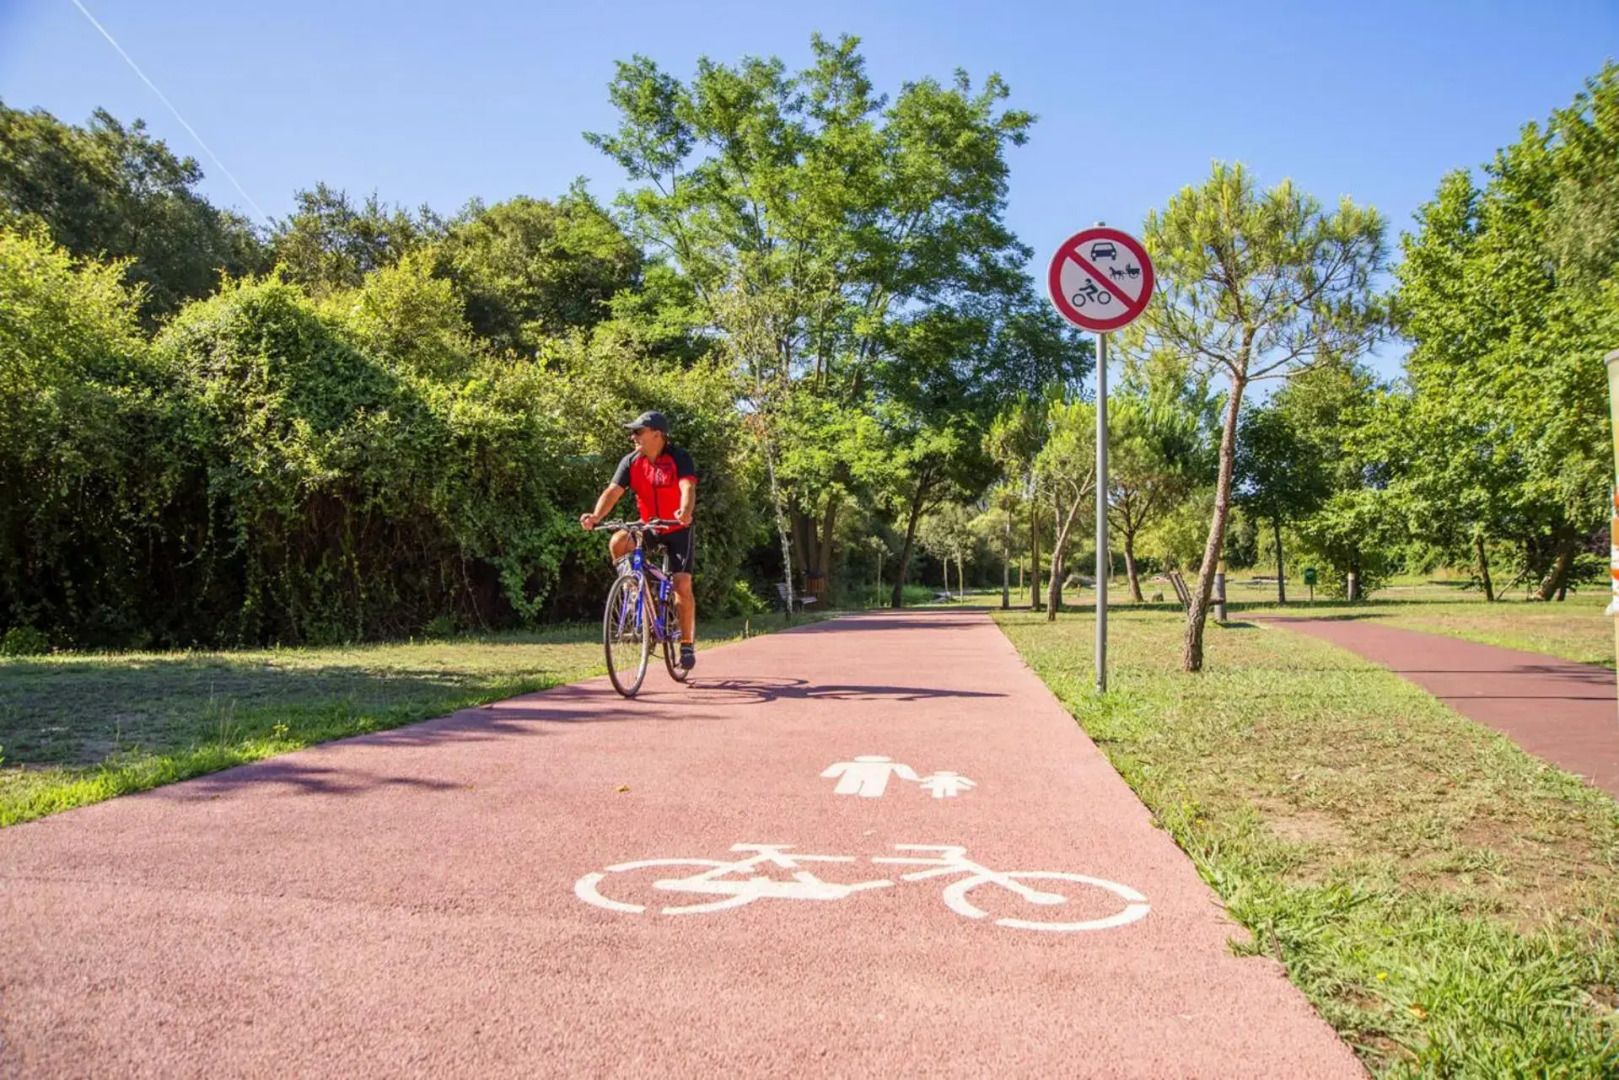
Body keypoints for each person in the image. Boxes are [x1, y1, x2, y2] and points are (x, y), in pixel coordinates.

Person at [580, 410, 700, 670]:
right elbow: (613, 491)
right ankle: (635, 594)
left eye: (638, 432)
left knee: (681, 584)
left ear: (657, 434)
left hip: (677, 527)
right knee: (619, 541)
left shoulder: (679, 457)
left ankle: (687, 644)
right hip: (650, 526)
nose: (633, 436)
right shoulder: (631, 461)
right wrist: (596, 515)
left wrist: (685, 512)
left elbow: (687, 488)